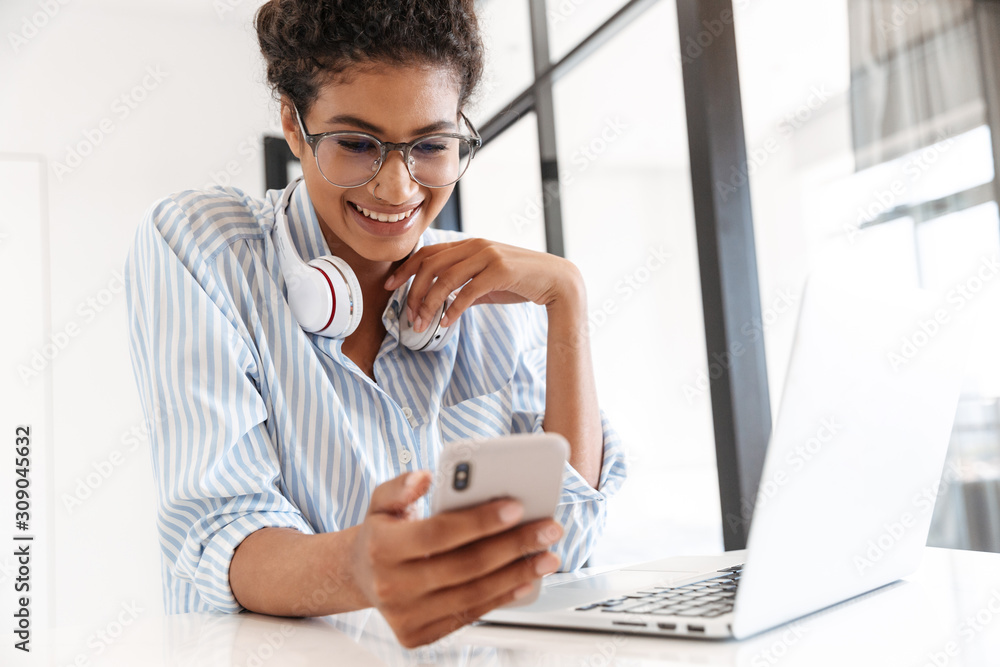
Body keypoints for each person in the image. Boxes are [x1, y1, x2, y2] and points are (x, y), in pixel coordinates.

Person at [124, 0, 626, 648]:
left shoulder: (492, 291)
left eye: (430, 146)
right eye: (358, 144)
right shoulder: (206, 246)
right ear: (295, 127)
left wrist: (568, 301)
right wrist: (358, 565)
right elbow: (218, 532)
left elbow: (568, 543)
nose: (396, 188)